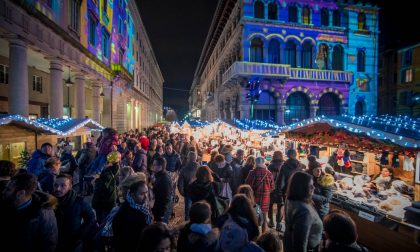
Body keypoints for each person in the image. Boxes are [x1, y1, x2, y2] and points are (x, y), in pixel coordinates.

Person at [0, 173, 58, 251]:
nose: (3, 192)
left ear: (20, 193)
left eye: (8, 189)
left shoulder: (43, 214)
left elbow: (49, 243)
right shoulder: (6, 203)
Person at [53, 174, 96, 252]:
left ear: (70, 186)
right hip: (53, 243)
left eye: (63, 185)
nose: (58, 188)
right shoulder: (49, 202)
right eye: (56, 185)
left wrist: (79, 235)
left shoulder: (79, 202)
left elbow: (91, 218)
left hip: (72, 244)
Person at [284, 172, 323, 252]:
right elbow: (300, 243)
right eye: (311, 186)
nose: (314, 188)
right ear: (302, 188)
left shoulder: (290, 199)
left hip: (289, 244)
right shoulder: (304, 211)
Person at [113, 180, 153, 251]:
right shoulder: (125, 213)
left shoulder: (142, 206)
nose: (146, 196)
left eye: (146, 192)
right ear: (132, 195)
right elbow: (127, 240)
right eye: (142, 194)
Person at [245, 156, 274, 233]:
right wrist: (266, 191)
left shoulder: (252, 173)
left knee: (254, 218)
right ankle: (263, 237)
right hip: (265, 198)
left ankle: (255, 236)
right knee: (264, 219)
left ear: (256, 163)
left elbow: (247, 186)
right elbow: (272, 187)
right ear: (264, 163)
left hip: (254, 198)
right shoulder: (269, 173)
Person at [92, 157, 120, 224]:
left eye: (105, 163)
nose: (104, 165)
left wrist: (95, 181)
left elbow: (101, 188)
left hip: (103, 204)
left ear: (109, 164)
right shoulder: (113, 172)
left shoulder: (107, 174)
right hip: (109, 203)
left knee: (102, 222)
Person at [178, 151, 200, 221]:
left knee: (188, 210)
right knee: (197, 209)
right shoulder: (200, 168)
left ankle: (187, 224)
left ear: (188, 158)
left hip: (188, 192)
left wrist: (182, 193)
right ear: (195, 158)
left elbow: (180, 183)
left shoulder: (184, 169)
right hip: (198, 191)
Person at [151, 156, 173, 223]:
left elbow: (166, 198)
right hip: (158, 209)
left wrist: (161, 214)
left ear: (160, 166)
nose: (152, 167)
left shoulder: (164, 179)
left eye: (154, 165)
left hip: (161, 211)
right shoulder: (159, 176)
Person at [267, 151, 284, 230]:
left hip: (272, 188)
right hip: (281, 189)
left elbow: (268, 178)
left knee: (270, 205)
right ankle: (278, 223)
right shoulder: (284, 165)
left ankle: (271, 221)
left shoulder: (270, 165)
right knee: (280, 206)